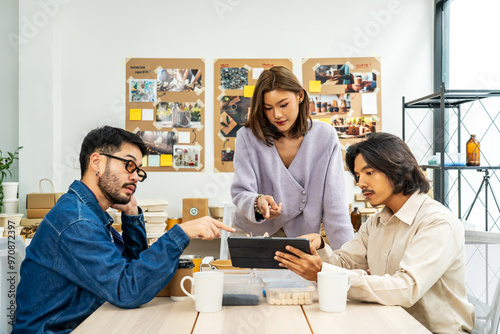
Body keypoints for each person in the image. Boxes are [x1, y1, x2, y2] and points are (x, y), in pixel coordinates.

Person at [13, 126, 234, 333]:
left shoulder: (87, 213)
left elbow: (132, 269)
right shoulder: (78, 222)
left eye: (138, 170)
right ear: (97, 162)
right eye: (129, 165)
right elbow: (128, 289)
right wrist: (181, 233)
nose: (136, 176)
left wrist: (132, 214)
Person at [274, 132, 475, 333]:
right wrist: (319, 247)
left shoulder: (437, 223)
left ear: (397, 168)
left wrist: (323, 273)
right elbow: (344, 263)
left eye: (369, 172)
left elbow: (406, 288)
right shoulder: (376, 222)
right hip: (389, 323)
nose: (360, 183)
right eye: (358, 175)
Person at [231, 66, 353, 249]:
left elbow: (336, 206)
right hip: (255, 236)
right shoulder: (247, 136)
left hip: (301, 238)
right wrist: (258, 203)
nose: (277, 115)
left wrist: (350, 260)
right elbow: (241, 192)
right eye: (268, 108)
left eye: (283, 105)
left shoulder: (325, 136)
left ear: (300, 96)